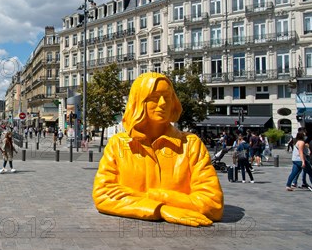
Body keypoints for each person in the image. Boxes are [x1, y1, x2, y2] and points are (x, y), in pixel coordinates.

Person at [92, 72, 224, 227]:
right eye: (154, 98)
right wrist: (160, 209)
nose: (162, 103)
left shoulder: (190, 144)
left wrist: (153, 195)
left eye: (167, 97)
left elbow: (213, 204)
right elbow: (103, 195)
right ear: (139, 102)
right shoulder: (119, 144)